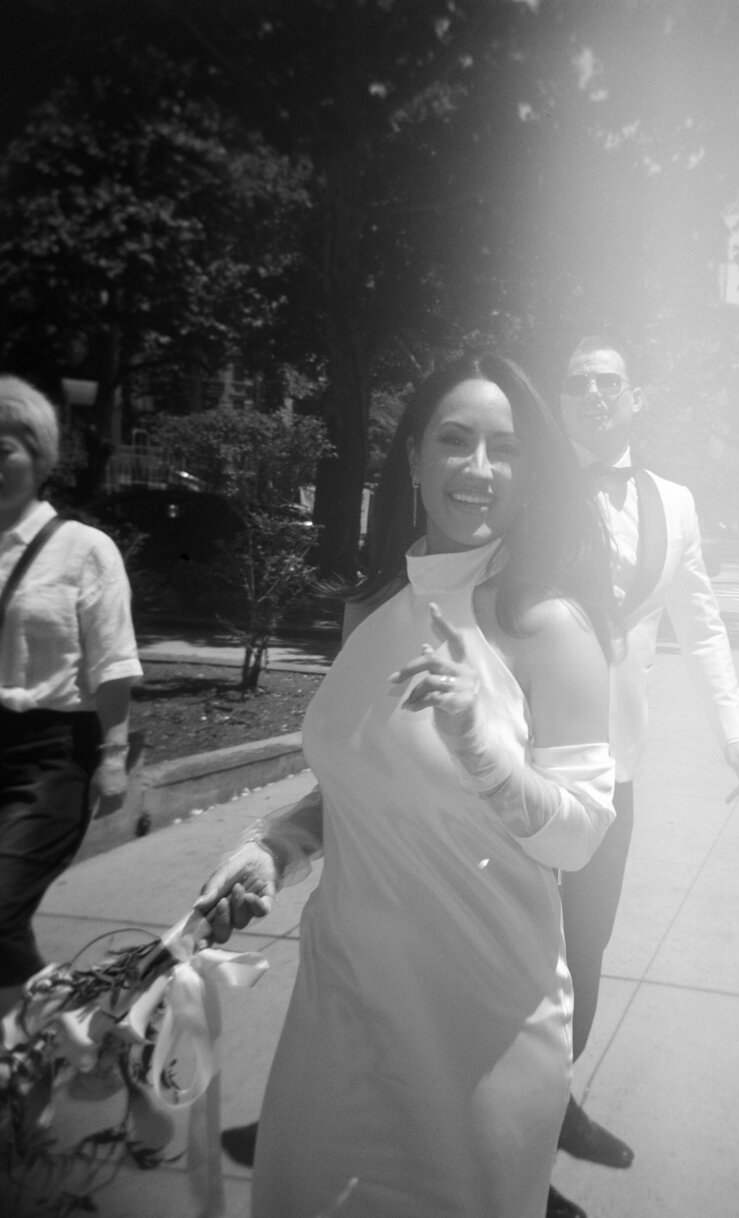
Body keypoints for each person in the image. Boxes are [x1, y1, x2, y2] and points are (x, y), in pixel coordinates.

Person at [195, 353, 621, 1218]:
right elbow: (359, 780)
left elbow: (579, 836)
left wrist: (484, 749)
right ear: (417, 460)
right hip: (340, 1011)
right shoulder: (373, 606)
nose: (478, 468)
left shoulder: (550, 626)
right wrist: (274, 847)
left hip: (480, 1030)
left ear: (531, 468)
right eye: (455, 441)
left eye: (505, 447)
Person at [546, 335, 739, 1218]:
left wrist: (737, 735)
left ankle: (550, 1101)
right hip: (525, 762)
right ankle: (503, 1141)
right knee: (512, 950)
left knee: (585, 951)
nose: (594, 392)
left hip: (614, 770)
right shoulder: (532, 487)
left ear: (635, 399)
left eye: (609, 381)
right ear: (561, 402)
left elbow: (701, 624)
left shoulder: (674, 505)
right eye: (578, 381)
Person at [0, 376, 141, 1016]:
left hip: (52, 756)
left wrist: (113, 758)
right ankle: (28, 1058)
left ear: (39, 456)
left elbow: (114, 664)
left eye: (4, 448)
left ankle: (63, 1024)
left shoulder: (84, 551)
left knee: (0, 907)